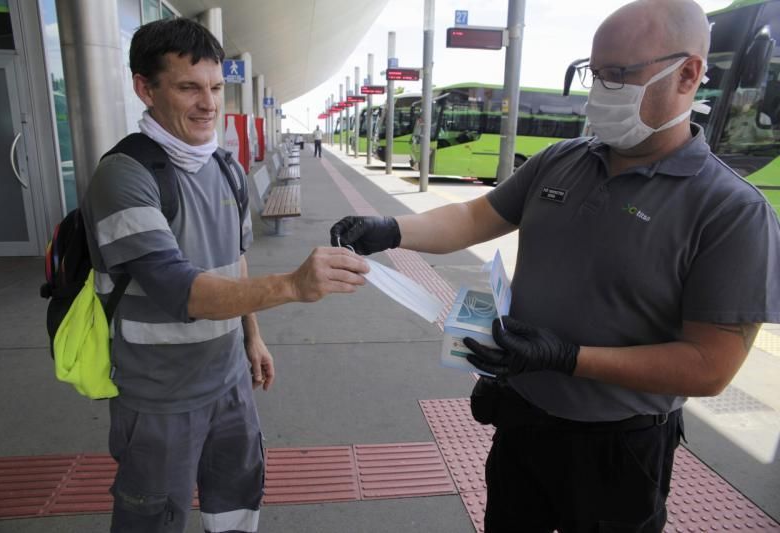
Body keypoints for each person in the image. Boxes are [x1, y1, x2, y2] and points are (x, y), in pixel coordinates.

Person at [330, 1, 780, 531]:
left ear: (688, 74)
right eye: (595, 73)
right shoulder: (562, 159)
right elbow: (475, 217)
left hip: (620, 447)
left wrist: (566, 358)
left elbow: (710, 366)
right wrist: (392, 229)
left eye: (620, 75)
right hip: (522, 420)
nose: (601, 90)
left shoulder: (731, 210)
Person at [82, 18, 368, 533]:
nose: (208, 103)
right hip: (159, 397)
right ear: (144, 88)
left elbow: (235, 261)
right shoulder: (124, 176)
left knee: (236, 501)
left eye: (215, 87)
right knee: (153, 518)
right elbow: (179, 289)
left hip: (229, 381)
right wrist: (292, 286)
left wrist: (251, 337)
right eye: (188, 87)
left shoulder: (225, 167)